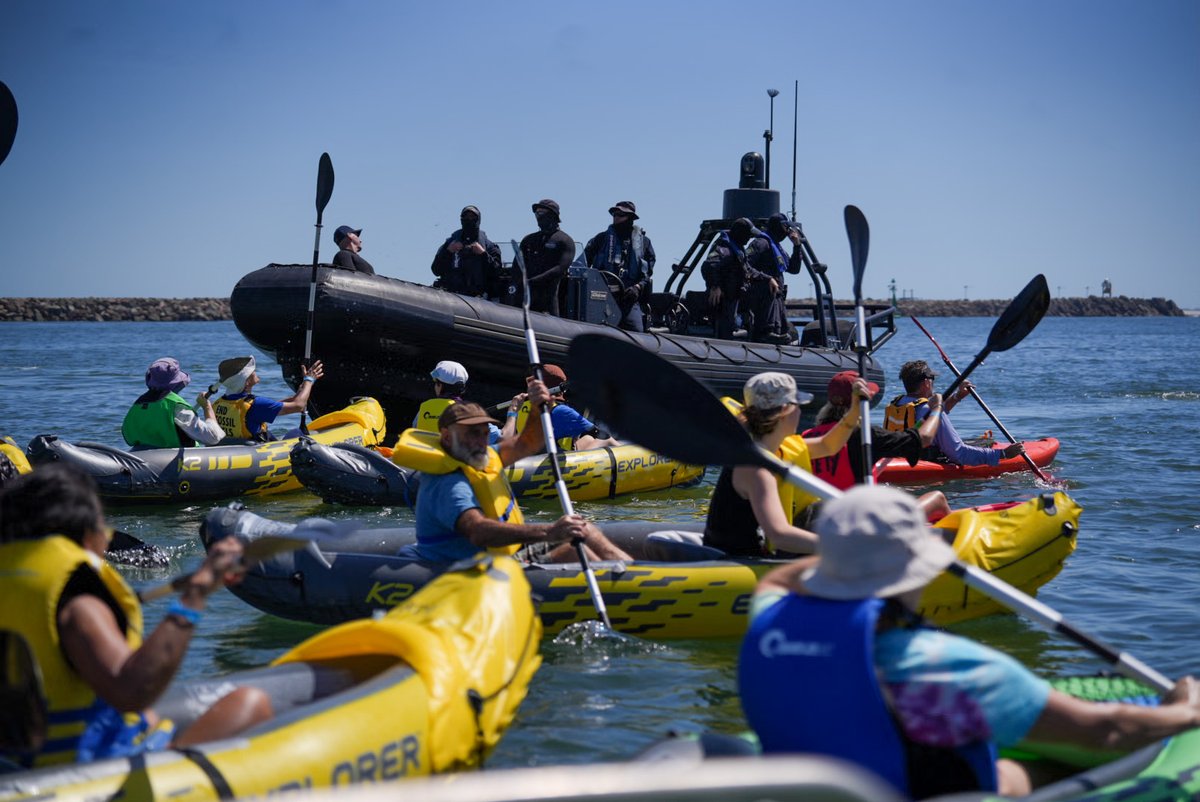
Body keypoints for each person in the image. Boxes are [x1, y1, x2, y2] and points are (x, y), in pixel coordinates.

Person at [739, 485, 1200, 799]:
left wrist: (849, 555)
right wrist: (1183, 710)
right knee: (1057, 764)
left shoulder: (769, 619)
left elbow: (781, 577)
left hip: (827, 777)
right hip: (909, 790)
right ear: (916, 572)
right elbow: (1106, 733)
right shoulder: (944, 667)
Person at [0, 465, 272, 767]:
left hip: (15, 763)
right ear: (87, 532)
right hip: (82, 773)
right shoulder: (78, 603)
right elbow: (131, 691)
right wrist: (197, 592)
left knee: (152, 718)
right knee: (250, 703)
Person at [394, 391, 632, 565]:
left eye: (484, 434)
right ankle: (626, 588)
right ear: (446, 437)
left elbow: (527, 442)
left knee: (584, 528)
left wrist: (539, 409)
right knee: (571, 550)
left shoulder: (483, 457)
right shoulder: (448, 482)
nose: (480, 440)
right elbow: (478, 531)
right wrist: (550, 531)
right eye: (472, 434)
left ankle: (635, 573)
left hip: (500, 556)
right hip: (469, 570)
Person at [703, 371, 869, 557]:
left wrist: (854, 411)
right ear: (784, 412)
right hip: (735, 559)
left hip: (761, 549)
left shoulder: (776, 447)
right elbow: (780, 535)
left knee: (827, 511)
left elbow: (828, 445)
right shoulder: (756, 468)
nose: (800, 411)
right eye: (797, 406)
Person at [803, 370, 951, 520]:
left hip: (820, 520)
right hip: (859, 523)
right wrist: (937, 409)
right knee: (937, 497)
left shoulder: (807, 437)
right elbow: (924, 438)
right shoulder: (866, 435)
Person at [885, 360, 1024, 467]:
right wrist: (1003, 454)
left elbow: (925, 418)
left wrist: (957, 397)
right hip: (925, 465)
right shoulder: (929, 409)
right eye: (932, 380)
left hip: (897, 459)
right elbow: (959, 454)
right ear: (927, 383)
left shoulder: (897, 404)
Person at [500, 364, 618, 452]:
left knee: (587, 439)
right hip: (557, 462)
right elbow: (599, 433)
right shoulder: (561, 411)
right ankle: (634, 460)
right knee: (605, 439)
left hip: (534, 456)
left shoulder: (521, 406)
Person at [210, 355, 323, 442]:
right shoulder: (256, 405)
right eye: (252, 372)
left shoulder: (219, 403)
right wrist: (309, 380)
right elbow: (299, 405)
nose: (255, 372)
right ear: (247, 382)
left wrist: (304, 385)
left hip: (236, 448)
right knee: (297, 433)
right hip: (258, 453)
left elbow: (290, 402)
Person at [583, 201, 656, 332]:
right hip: (600, 296)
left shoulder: (644, 243)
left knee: (636, 331)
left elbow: (647, 273)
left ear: (631, 218)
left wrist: (637, 287)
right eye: (614, 214)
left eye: (621, 214)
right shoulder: (600, 239)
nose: (616, 217)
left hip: (628, 299)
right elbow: (583, 264)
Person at [121, 358, 224, 449]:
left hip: (142, 456)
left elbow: (128, 437)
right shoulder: (176, 406)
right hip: (172, 463)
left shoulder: (138, 404)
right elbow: (213, 437)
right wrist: (207, 407)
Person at [412, 360, 504, 446]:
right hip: (450, 463)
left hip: (422, 461)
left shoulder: (424, 408)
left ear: (440, 386)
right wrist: (512, 414)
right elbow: (502, 437)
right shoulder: (468, 412)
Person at [700, 218, 765, 340]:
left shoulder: (737, 249)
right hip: (725, 300)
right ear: (741, 234)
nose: (750, 239)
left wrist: (767, 278)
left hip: (735, 298)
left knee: (734, 324)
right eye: (748, 235)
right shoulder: (725, 249)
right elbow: (709, 266)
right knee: (725, 330)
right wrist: (715, 286)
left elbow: (748, 270)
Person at [743, 213, 803, 343]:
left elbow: (794, 269)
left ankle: (775, 332)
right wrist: (766, 278)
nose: (787, 231)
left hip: (776, 297)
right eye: (785, 227)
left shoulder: (777, 248)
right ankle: (765, 333)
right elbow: (745, 266)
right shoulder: (761, 243)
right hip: (761, 294)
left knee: (783, 329)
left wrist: (797, 246)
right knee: (768, 291)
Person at [516, 199, 575, 316]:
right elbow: (517, 264)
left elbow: (560, 268)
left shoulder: (565, 240)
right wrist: (518, 281)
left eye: (541, 212)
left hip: (548, 301)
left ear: (552, 215)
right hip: (525, 298)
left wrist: (533, 281)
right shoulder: (529, 240)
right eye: (536, 213)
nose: (538, 216)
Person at [430, 205, 503, 298]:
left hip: (478, 299)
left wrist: (483, 254)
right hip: (450, 297)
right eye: (466, 217)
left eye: (472, 217)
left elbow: (497, 272)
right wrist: (448, 252)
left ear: (478, 220)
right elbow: (436, 270)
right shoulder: (449, 244)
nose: (469, 219)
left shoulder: (490, 247)